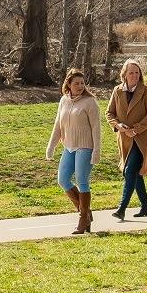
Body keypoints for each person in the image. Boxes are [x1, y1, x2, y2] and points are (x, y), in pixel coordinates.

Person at [44, 68, 102, 235]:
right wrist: (51, 145)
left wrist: (96, 150)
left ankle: (83, 220)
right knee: (63, 180)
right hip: (69, 146)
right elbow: (58, 125)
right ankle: (85, 212)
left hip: (85, 146)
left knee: (82, 180)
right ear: (68, 84)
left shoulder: (90, 102)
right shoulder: (64, 100)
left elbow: (96, 128)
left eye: (82, 83)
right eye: (76, 83)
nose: (80, 86)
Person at [106, 58, 147, 222]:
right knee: (134, 173)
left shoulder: (146, 91)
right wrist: (118, 126)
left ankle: (122, 209)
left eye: (137, 72)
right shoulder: (117, 90)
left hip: (141, 138)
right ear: (124, 75)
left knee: (129, 171)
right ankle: (145, 206)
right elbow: (109, 113)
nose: (135, 75)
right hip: (124, 138)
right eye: (131, 72)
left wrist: (137, 128)